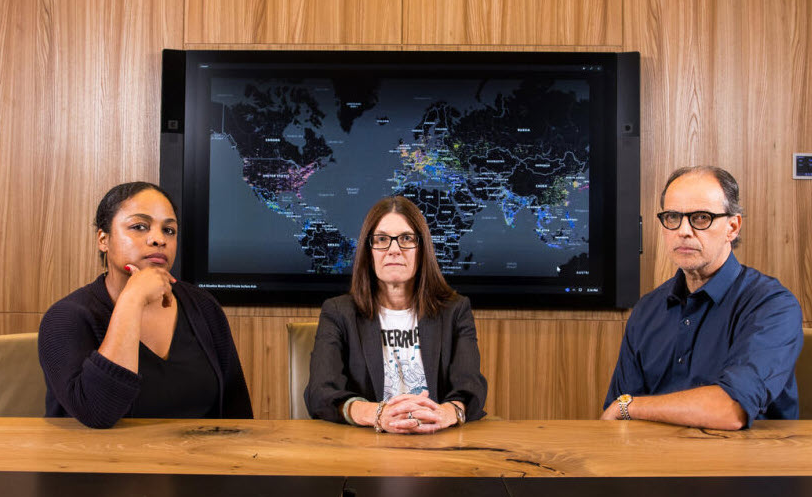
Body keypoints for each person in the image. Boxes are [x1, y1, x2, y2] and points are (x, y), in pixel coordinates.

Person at [601, 166, 802, 430]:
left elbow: (729, 410)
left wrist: (631, 407)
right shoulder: (647, 309)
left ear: (732, 227)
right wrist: (625, 408)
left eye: (701, 218)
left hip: (745, 464)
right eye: (673, 217)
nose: (683, 230)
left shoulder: (773, 305)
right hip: (656, 461)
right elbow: (616, 419)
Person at [39, 182, 252, 428]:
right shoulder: (66, 317)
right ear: (103, 239)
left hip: (197, 463)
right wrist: (133, 299)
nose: (159, 239)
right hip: (106, 464)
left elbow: (237, 413)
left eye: (169, 230)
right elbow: (97, 412)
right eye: (139, 226)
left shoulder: (203, 307)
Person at [305, 196, 487, 433]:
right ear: (368, 251)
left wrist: (446, 413)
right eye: (381, 239)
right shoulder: (338, 313)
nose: (393, 250)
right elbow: (320, 392)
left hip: (437, 441)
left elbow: (470, 386)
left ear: (422, 250)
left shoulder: (455, 310)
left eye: (406, 239)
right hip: (366, 445)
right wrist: (377, 414)